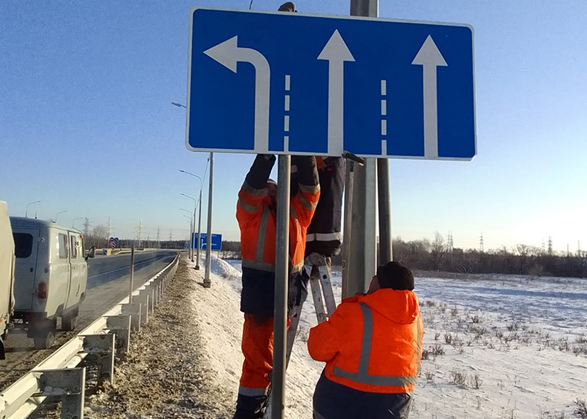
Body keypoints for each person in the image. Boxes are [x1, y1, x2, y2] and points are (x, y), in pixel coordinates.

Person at [234, 154, 320, 419]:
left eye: (275, 187)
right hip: (261, 300)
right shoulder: (249, 214)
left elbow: (311, 189)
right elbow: (250, 189)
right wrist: (266, 155)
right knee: (257, 361)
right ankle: (249, 412)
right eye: (268, 187)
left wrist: (305, 153)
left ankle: (260, 406)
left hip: (286, 298)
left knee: (268, 360)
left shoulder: (297, 211)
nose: (272, 189)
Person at [308, 261, 424, 419]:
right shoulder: (415, 321)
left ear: (383, 285)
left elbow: (317, 349)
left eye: (377, 277)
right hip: (394, 408)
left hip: (341, 404)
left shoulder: (354, 314)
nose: (372, 278)